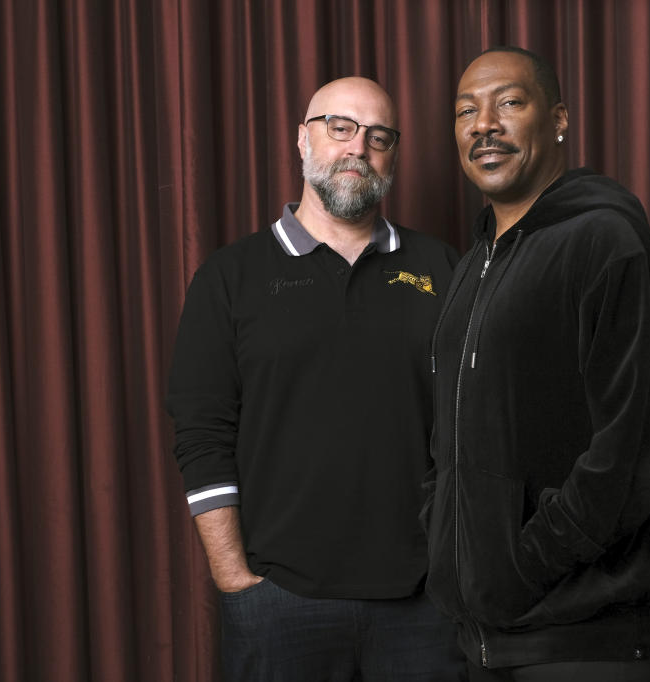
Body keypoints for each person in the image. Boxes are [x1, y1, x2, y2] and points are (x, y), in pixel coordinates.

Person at [167, 76, 466, 681]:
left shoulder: (442, 267)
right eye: (340, 128)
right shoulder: (230, 277)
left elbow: (471, 423)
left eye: (379, 137)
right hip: (279, 601)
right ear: (302, 141)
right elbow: (202, 436)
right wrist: (238, 583)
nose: (358, 148)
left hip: (422, 605)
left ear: (393, 156)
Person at [423, 47, 650, 681]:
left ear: (560, 119)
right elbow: (447, 440)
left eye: (509, 103)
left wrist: (527, 563)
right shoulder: (473, 267)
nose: (483, 123)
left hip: (582, 637)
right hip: (488, 638)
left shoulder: (609, 242)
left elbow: (638, 447)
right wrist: (446, 543)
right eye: (466, 110)